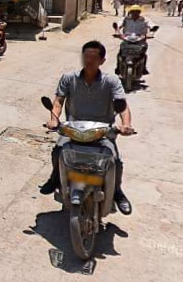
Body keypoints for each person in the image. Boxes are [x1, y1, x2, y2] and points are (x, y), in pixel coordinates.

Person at [39, 40, 134, 215]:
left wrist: (126, 124)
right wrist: (54, 118)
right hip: (74, 129)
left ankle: (117, 191)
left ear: (102, 60)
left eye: (94, 57)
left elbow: (123, 106)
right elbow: (58, 101)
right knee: (58, 151)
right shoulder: (69, 78)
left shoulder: (111, 81)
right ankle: (55, 178)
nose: (89, 60)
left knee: (115, 161)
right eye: (86, 56)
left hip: (103, 132)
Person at [115, 5, 155, 75]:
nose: (135, 13)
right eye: (133, 12)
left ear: (140, 12)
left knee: (143, 54)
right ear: (130, 12)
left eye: (137, 12)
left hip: (140, 40)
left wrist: (151, 33)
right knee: (120, 53)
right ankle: (118, 67)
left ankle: (143, 68)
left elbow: (152, 26)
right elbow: (118, 26)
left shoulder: (145, 20)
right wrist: (117, 32)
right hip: (127, 39)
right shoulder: (125, 19)